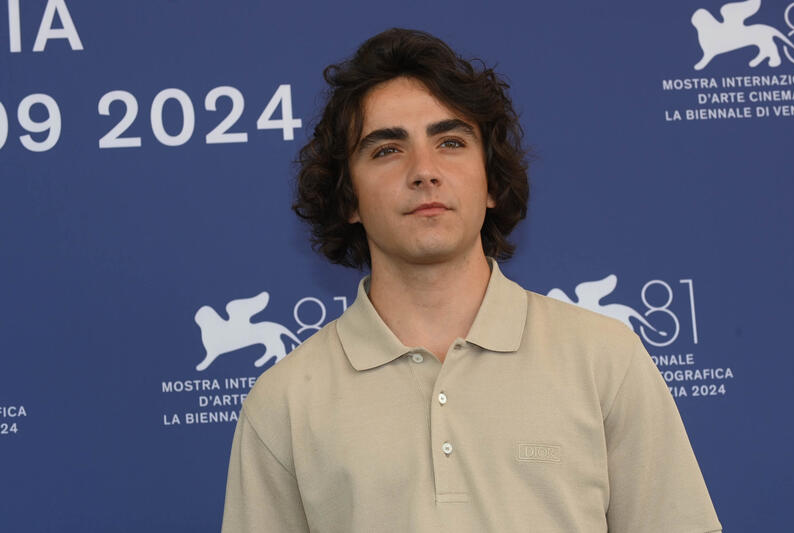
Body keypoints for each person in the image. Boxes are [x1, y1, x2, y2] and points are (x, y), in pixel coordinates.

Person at [221, 28, 722, 533]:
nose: (424, 171)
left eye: (451, 142)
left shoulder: (604, 359)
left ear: (491, 183)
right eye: (388, 150)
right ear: (348, 197)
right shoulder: (284, 402)